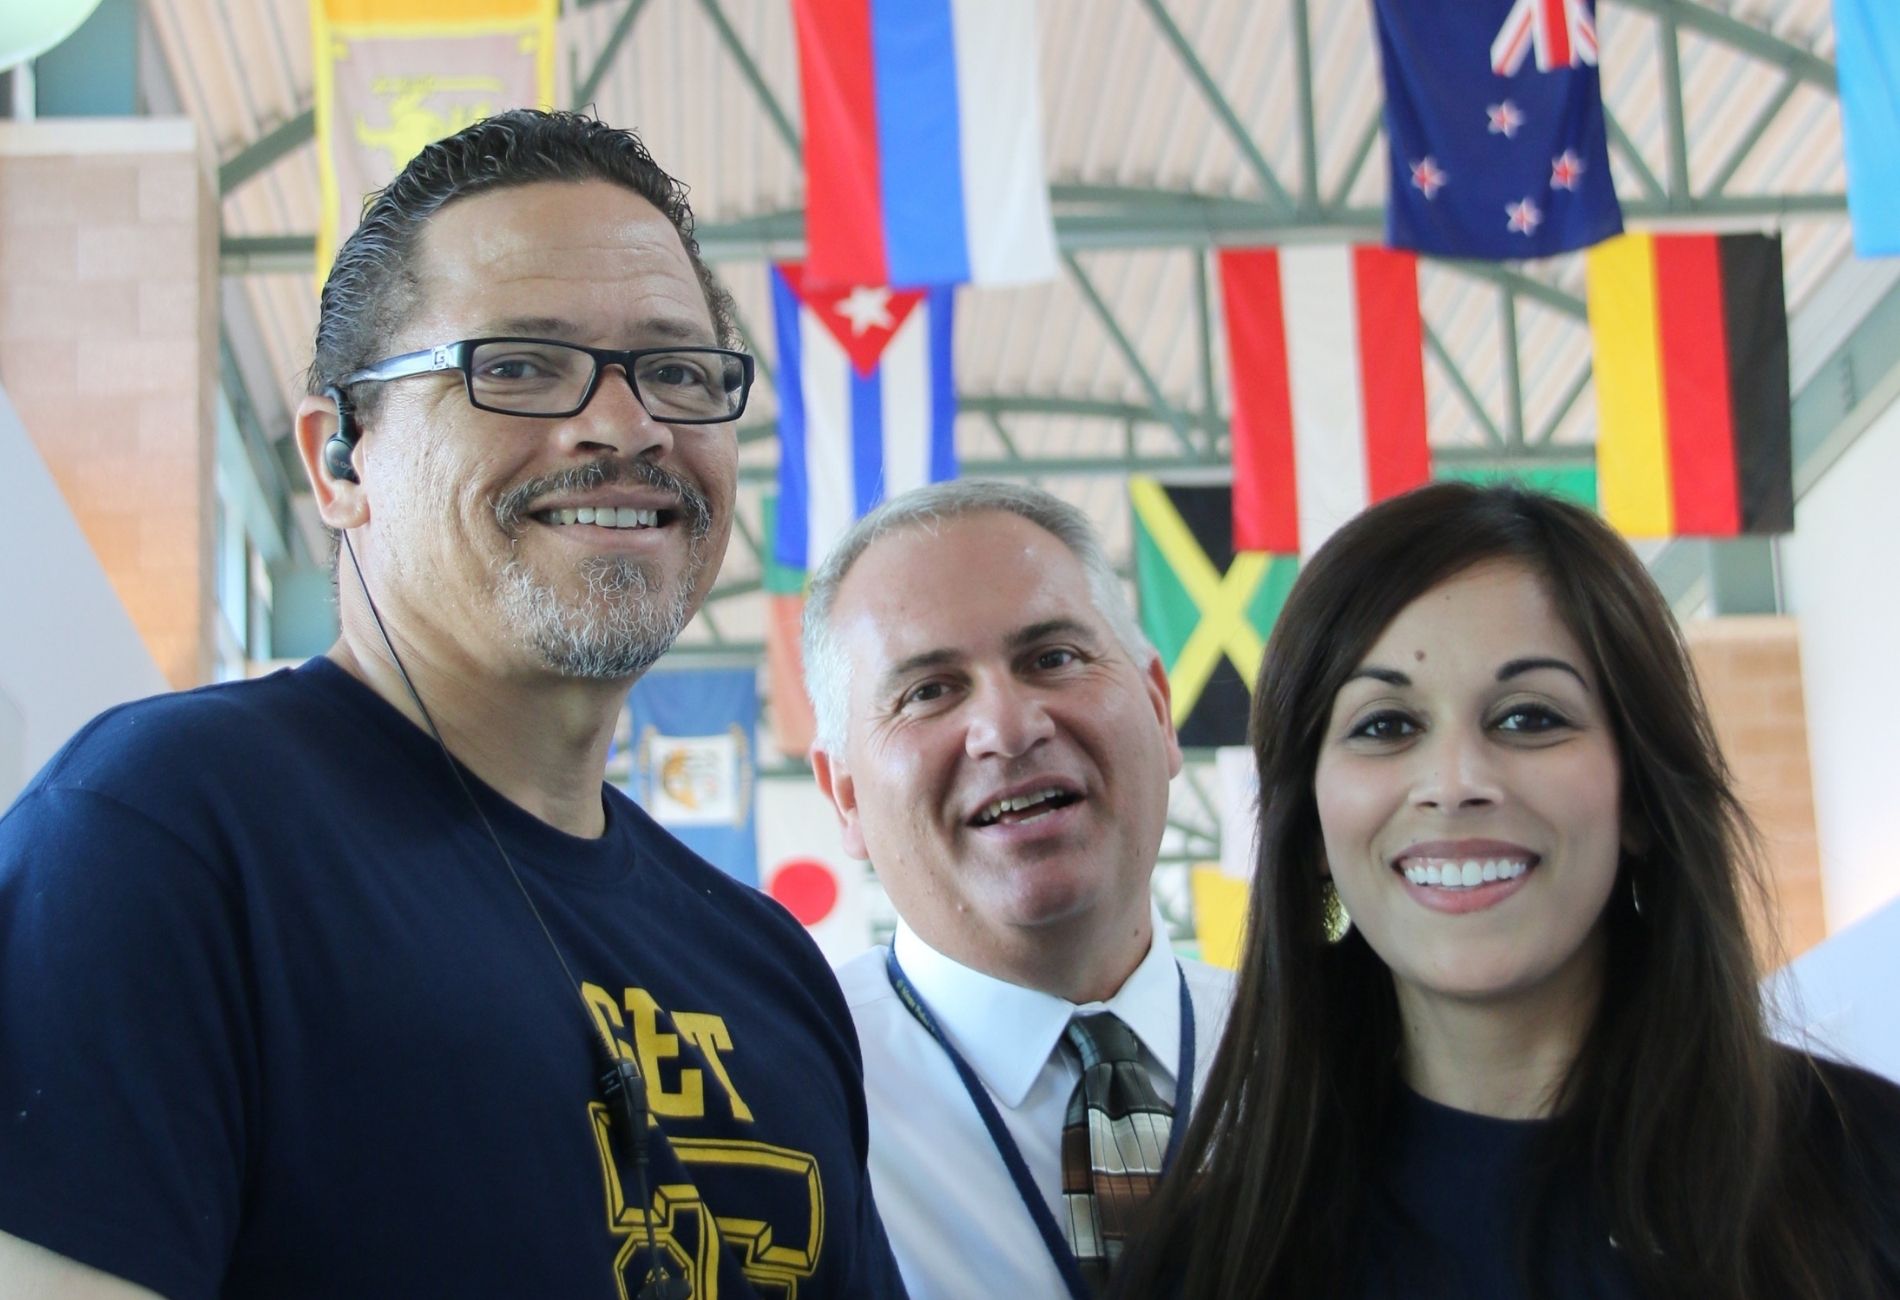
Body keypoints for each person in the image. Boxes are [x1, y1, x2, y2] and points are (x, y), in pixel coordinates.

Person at [0, 109, 905, 1300]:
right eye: (519, 365)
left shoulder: (765, 966)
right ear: (339, 461)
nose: (625, 424)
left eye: (677, 370)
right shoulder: (165, 836)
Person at [1115, 481, 1900, 1299]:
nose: (1455, 783)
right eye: (1385, 725)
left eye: (1528, 718)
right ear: (1310, 828)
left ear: (1638, 796)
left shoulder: (1865, 1170)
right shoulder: (1203, 1268)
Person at [801, 481, 1234, 1300]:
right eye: (929, 690)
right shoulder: (784, 1100)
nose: (1009, 727)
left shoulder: (1333, 1059)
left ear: (1160, 710)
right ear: (846, 795)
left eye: (1053, 659)